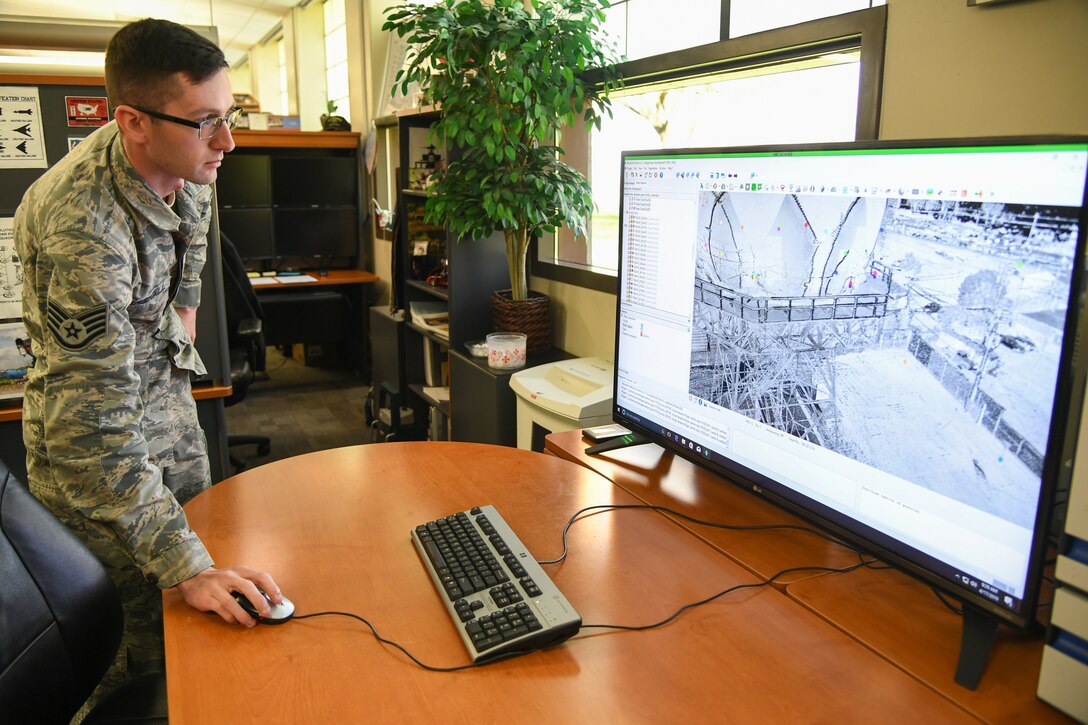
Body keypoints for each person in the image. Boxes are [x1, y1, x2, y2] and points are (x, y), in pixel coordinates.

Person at [13, 17, 283, 711]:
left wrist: (178, 359)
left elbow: (187, 270)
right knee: (137, 656)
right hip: (94, 467)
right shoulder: (82, 226)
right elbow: (100, 433)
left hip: (169, 423)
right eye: (205, 123)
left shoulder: (195, 165)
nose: (227, 143)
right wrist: (184, 564)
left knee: (207, 626)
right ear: (133, 121)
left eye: (229, 116)